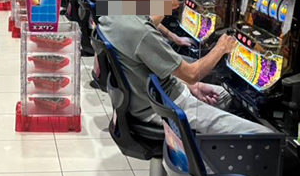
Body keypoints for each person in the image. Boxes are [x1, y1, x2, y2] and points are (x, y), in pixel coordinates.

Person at [97, 14, 271, 135]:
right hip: (164, 107)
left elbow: (146, 69)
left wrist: (190, 87)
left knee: (225, 96)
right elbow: (192, 73)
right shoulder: (140, 31)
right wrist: (221, 48)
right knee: (264, 134)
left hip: (149, 97)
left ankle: (213, 142)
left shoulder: (109, 17)